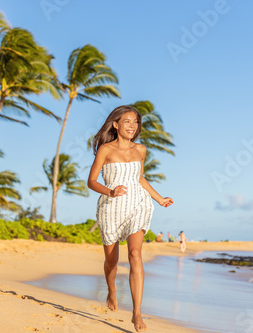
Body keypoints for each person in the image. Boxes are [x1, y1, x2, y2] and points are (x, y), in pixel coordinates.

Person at [87, 105, 173, 332]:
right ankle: (112, 288)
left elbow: (140, 178)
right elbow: (92, 181)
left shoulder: (141, 150)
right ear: (115, 124)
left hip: (137, 204)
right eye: (127, 121)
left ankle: (137, 313)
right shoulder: (105, 150)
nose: (132, 126)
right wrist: (111, 191)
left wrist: (159, 198)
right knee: (111, 262)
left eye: (135, 122)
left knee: (135, 254)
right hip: (111, 206)